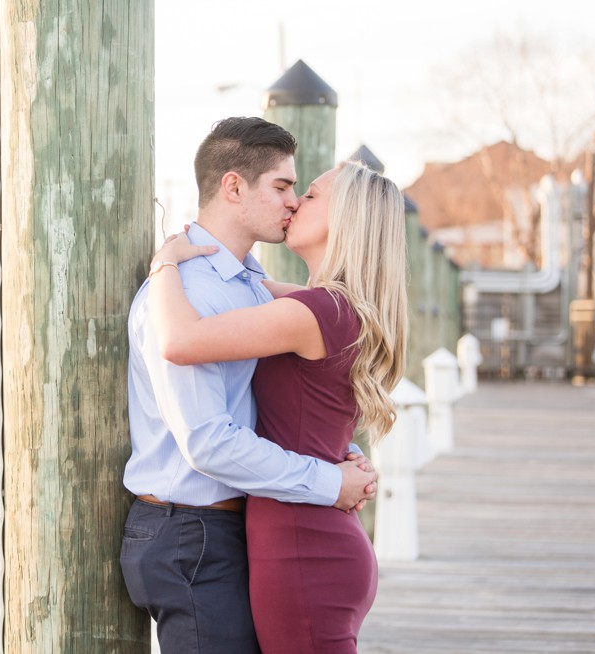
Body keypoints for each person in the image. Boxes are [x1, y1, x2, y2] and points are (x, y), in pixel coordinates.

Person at [119, 117, 379, 654]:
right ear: (234, 186)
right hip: (192, 532)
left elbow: (284, 402)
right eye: (283, 187)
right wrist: (329, 482)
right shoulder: (187, 292)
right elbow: (209, 441)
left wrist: (341, 453)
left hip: (237, 531)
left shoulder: (253, 291)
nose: (292, 203)